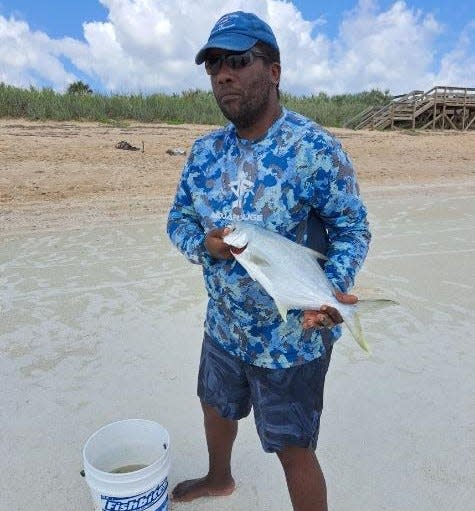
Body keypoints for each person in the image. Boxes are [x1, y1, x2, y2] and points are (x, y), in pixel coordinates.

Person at [167, 11, 371, 511]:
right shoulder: (203, 153)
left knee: (292, 446)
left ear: (274, 70)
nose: (224, 74)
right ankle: (220, 478)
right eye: (213, 65)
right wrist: (205, 246)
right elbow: (178, 220)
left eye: (238, 60)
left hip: (293, 340)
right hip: (224, 326)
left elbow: (353, 228)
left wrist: (334, 287)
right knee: (216, 405)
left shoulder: (314, 148)